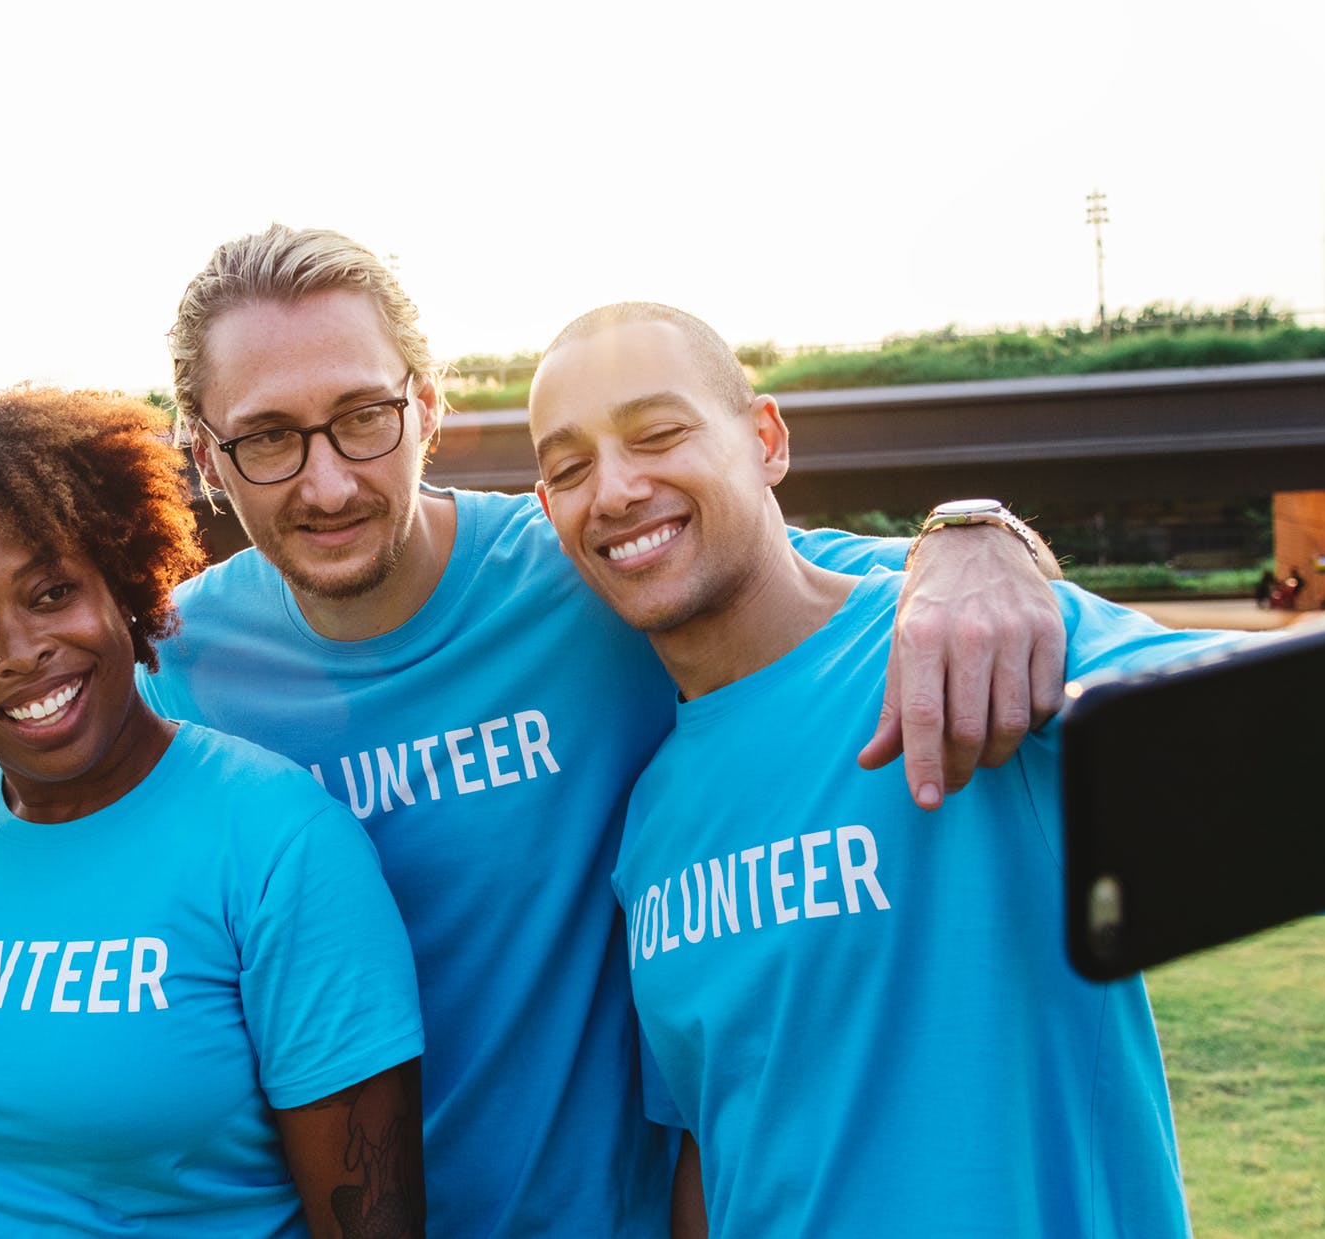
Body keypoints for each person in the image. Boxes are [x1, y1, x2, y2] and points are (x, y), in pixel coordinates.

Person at [141, 224, 1066, 1237]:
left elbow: (813, 577)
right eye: (268, 437)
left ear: (427, 404)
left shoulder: (587, 569)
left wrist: (974, 535)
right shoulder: (176, 672)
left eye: (363, 417)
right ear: (203, 455)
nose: (325, 484)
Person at [524, 300, 1325, 1239]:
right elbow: (716, 1148)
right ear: (550, 512)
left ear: (764, 439)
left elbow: (1306, 748)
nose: (618, 488)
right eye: (571, 467)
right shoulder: (651, 821)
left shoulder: (972, 636)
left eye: (659, 433)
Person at [0, 387, 425, 1239]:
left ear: (122, 581)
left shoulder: (280, 840)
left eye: (51, 593)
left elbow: (371, 1219)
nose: (21, 650)